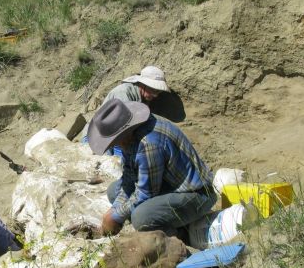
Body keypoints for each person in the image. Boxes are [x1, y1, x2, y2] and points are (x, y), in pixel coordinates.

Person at [87, 98, 217, 237]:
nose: (113, 145)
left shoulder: (148, 143)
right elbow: (129, 179)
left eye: (113, 141)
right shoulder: (130, 136)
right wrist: (114, 211)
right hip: (167, 183)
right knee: (114, 191)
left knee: (141, 218)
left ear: (123, 133)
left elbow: (145, 192)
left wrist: (116, 216)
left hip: (197, 194)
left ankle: (180, 235)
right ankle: (158, 219)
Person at [101, 65, 170, 107]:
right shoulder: (124, 92)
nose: (156, 95)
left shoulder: (142, 97)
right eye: (153, 90)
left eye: (158, 92)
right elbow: (124, 121)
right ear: (143, 84)